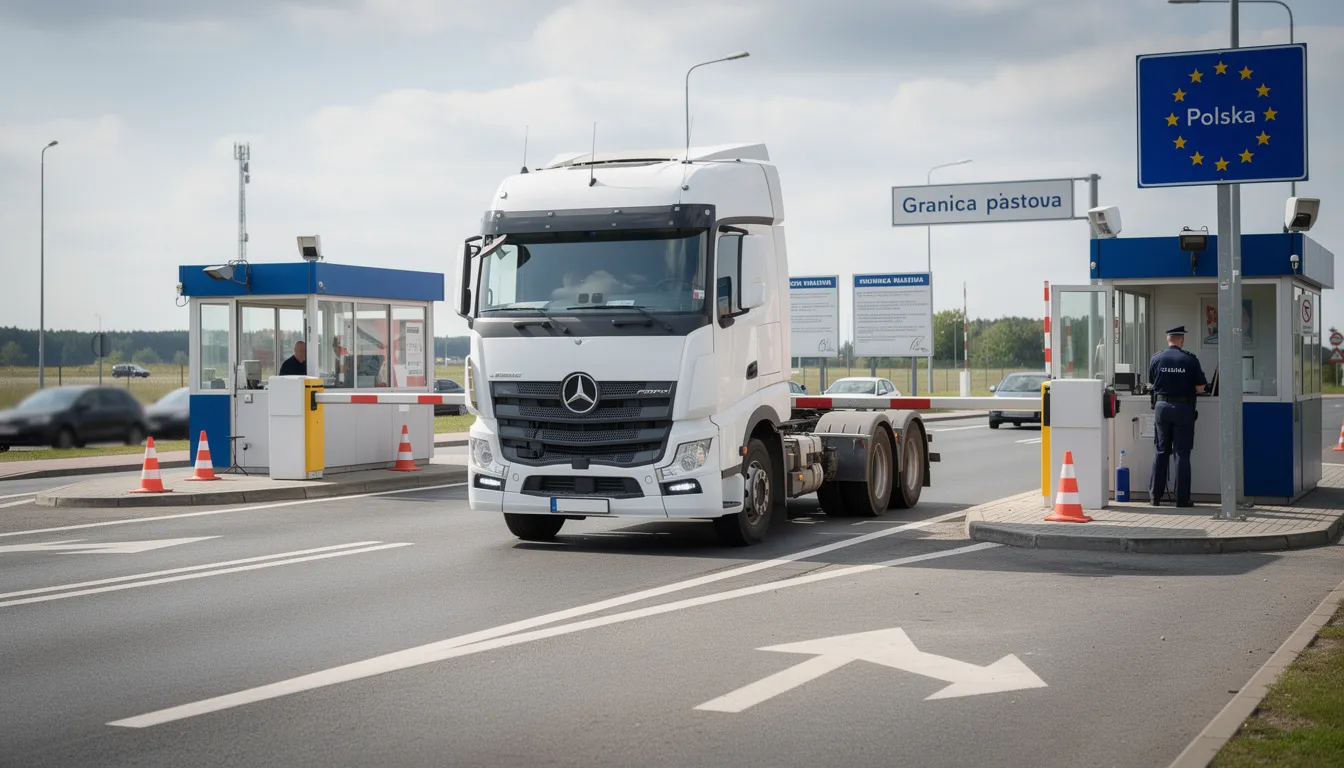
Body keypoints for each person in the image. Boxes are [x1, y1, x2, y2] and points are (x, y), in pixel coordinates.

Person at [1147, 326, 1207, 507]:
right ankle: (1182, 499)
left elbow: (1151, 382)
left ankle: (1155, 498)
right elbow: (1200, 388)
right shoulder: (1190, 360)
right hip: (1182, 409)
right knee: (1181, 453)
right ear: (1182, 341)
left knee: (1160, 451)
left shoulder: (1156, 358)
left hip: (1162, 408)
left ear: (1168, 340)